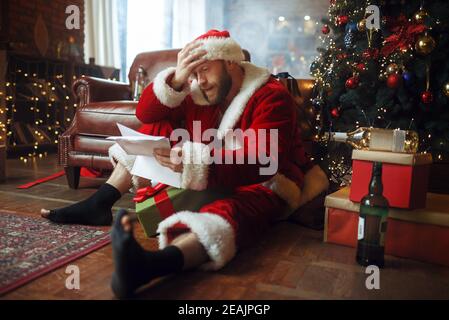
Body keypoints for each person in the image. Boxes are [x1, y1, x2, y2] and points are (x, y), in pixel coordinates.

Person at [41, 30, 329, 298]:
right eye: (194, 72)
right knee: (159, 125)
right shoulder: (200, 93)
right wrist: (177, 80)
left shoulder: (271, 95)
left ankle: (156, 264)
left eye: (205, 69)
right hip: (214, 170)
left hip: (268, 179)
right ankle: (102, 201)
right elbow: (145, 113)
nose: (199, 80)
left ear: (229, 62)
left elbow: (263, 161)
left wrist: (197, 161)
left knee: (237, 208)